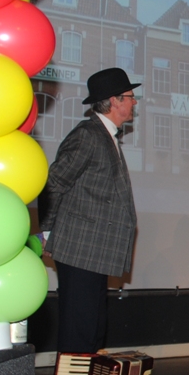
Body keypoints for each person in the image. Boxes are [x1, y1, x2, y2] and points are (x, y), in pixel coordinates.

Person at [40, 67, 139, 354]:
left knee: (92, 330)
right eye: (130, 96)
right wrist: (47, 231)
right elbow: (54, 183)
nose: (134, 102)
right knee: (79, 332)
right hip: (79, 249)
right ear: (114, 101)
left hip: (95, 252)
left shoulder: (106, 136)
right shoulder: (88, 135)